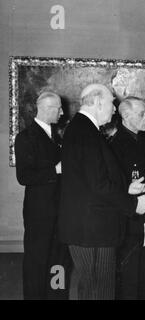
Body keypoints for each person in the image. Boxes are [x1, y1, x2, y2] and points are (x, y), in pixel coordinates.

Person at [58, 84, 145, 300]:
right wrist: (133, 204)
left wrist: (127, 188)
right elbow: (98, 184)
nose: (114, 109)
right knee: (101, 290)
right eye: (112, 103)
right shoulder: (86, 132)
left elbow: (91, 180)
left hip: (88, 225)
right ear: (97, 101)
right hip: (93, 228)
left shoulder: (81, 128)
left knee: (92, 289)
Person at [109, 97, 145, 299]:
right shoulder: (114, 147)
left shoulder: (142, 143)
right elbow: (114, 190)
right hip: (129, 223)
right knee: (129, 281)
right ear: (126, 116)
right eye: (142, 114)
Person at [15, 91, 71, 300]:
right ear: (47, 109)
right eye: (58, 109)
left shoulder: (56, 136)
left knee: (60, 261)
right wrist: (55, 170)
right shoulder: (26, 137)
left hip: (59, 211)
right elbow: (24, 176)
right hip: (39, 214)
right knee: (37, 262)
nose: (62, 112)